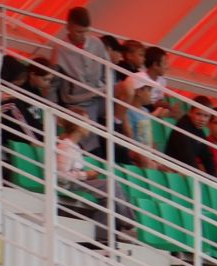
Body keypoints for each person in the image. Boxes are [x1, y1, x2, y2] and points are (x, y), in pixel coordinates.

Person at [54, 118, 136, 249]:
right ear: (78, 126)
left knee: (109, 197)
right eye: (86, 122)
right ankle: (128, 222)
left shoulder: (73, 146)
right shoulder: (66, 146)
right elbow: (62, 176)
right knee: (111, 186)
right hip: (69, 185)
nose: (89, 125)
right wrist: (86, 175)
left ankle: (104, 237)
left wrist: (86, 176)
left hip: (77, 183)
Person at [45, 8, 112, 131]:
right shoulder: (59, 50)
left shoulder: (97, 43)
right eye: (78, 32)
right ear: (68, 27)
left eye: (86, 32)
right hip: (79, 103)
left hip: (101, 95)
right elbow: (53, 85)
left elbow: (108, 70)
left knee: (127, 94)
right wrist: (53, 111)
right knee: (88, 129)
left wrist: (106, 87)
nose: (83, 36)